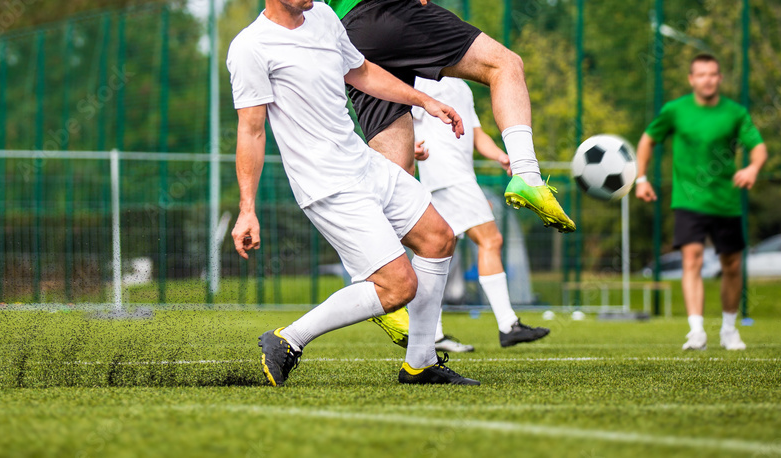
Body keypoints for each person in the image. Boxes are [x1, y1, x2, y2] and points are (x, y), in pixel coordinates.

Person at [227, 0, 480, 386]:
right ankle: (287, 340)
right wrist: (247, 209)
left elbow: (361, 72)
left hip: (362, 162)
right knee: (398, 286)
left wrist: (424, 100)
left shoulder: (325, 17)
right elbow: (252, 130)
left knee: (438, 239)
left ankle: (420, 363)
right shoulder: (251, 47)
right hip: (326, 184)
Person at [323, 0, 575, 234]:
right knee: (505, 64)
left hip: (351, 34)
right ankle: (528, 175)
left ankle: (375, 270)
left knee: (398, 183)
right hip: (389, 11)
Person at [634, 54, 768, 352]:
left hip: (726, 202)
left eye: (713, 74)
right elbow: (647, 140)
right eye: (701, 74)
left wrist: (752, 168)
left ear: (720, 78)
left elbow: (758, 148)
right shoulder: (674, 110)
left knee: (731, 266)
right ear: (691, 79)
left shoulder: (734, 113)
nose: (707, 79)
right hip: (688, 200)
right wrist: (641, 178)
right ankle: (696, 332)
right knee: (691, 259)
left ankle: (729, 330)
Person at [412, 77, 551, 352]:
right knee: (491, 240)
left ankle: (432, 334)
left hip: (450, 179)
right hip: (449, 177)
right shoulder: (418, 80)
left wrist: (501, 156)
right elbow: (401, 116)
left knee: (438, 254)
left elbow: (476, 134)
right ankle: (508, 325)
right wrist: (410, 147)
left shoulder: (461, 87)